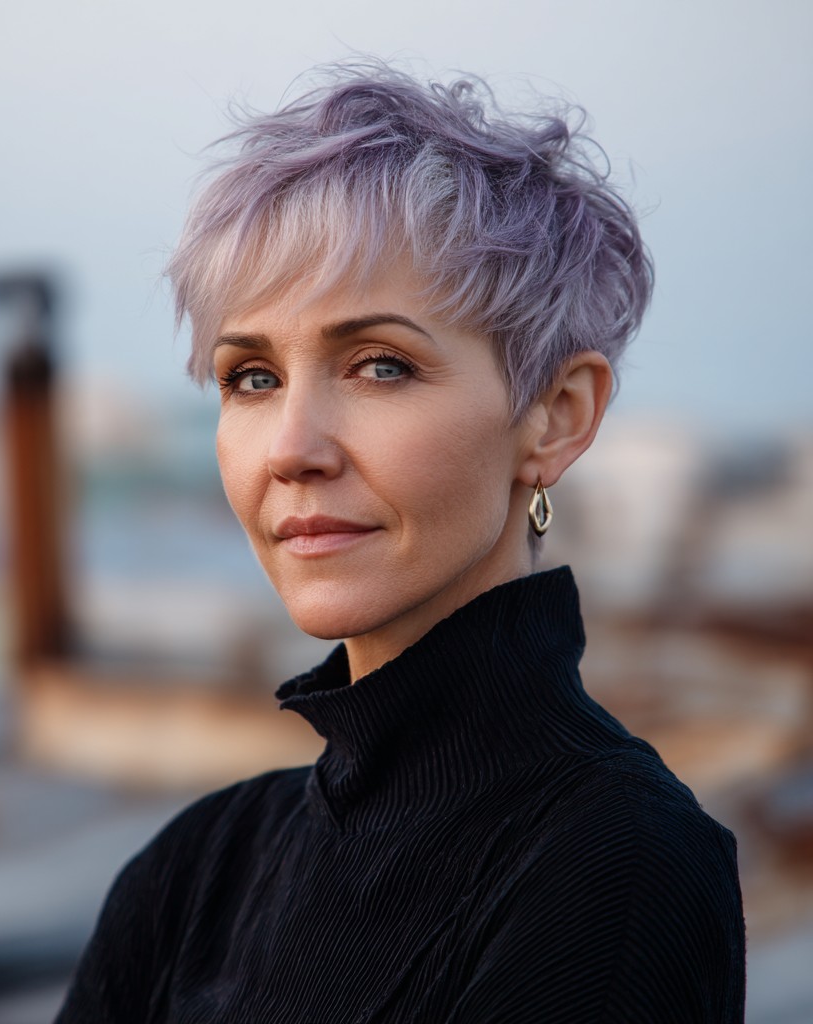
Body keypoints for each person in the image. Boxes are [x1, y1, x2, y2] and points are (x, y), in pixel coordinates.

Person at [56, 61, 745, 1022]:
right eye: (251, 377)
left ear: (554, 416)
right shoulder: (195, 871)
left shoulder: (617, 864)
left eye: (380, 366)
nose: (291, 449)